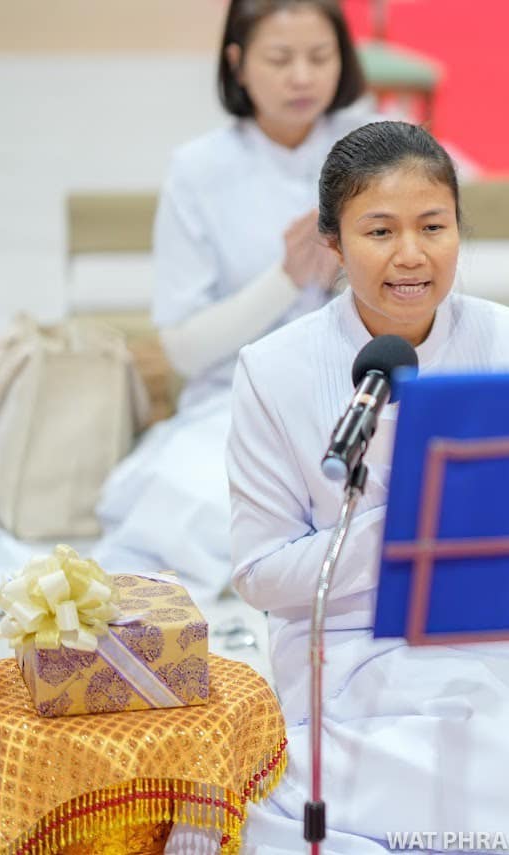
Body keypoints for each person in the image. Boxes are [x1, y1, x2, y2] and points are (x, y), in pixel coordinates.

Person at [228, 121, 509, 851]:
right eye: (379, 230)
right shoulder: (273, 367)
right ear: (334, 244)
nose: (411, 255)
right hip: (347, 652)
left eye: (433, 226)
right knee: (447, 771)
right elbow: (258, 572)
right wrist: (408, 523)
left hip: (494, 642)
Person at [93, 0, 374, 601]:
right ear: (238, 64)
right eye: (280, 59)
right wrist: (287, 277)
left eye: (319, 57)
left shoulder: (376, 153)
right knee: (193, 514)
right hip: (235, 402)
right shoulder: (200, 170)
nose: (302, 76)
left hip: (358, 394)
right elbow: (185, 350)